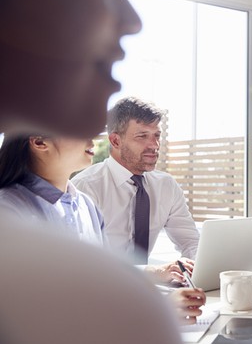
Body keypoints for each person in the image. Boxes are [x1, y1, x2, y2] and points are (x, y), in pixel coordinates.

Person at [0, 0, 188, 342]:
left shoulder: (82, 205)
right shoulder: (12, 215)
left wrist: (153, 283)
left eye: (157, 135)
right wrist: (145, 307)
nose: (132, 19)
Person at [0, 134, 206, 324]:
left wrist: (157, 274)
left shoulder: (85, 205)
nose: (91, 136)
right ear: (39, 142)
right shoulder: (9, 210)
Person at [72, 96, 200, 266]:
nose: (154, 145)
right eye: (142, 136)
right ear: (115, 140)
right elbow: (85, 264)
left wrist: (195, 269)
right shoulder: (86, 187)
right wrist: (154, 275)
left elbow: (191, 242)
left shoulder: (166, 185)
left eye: (157, 135)